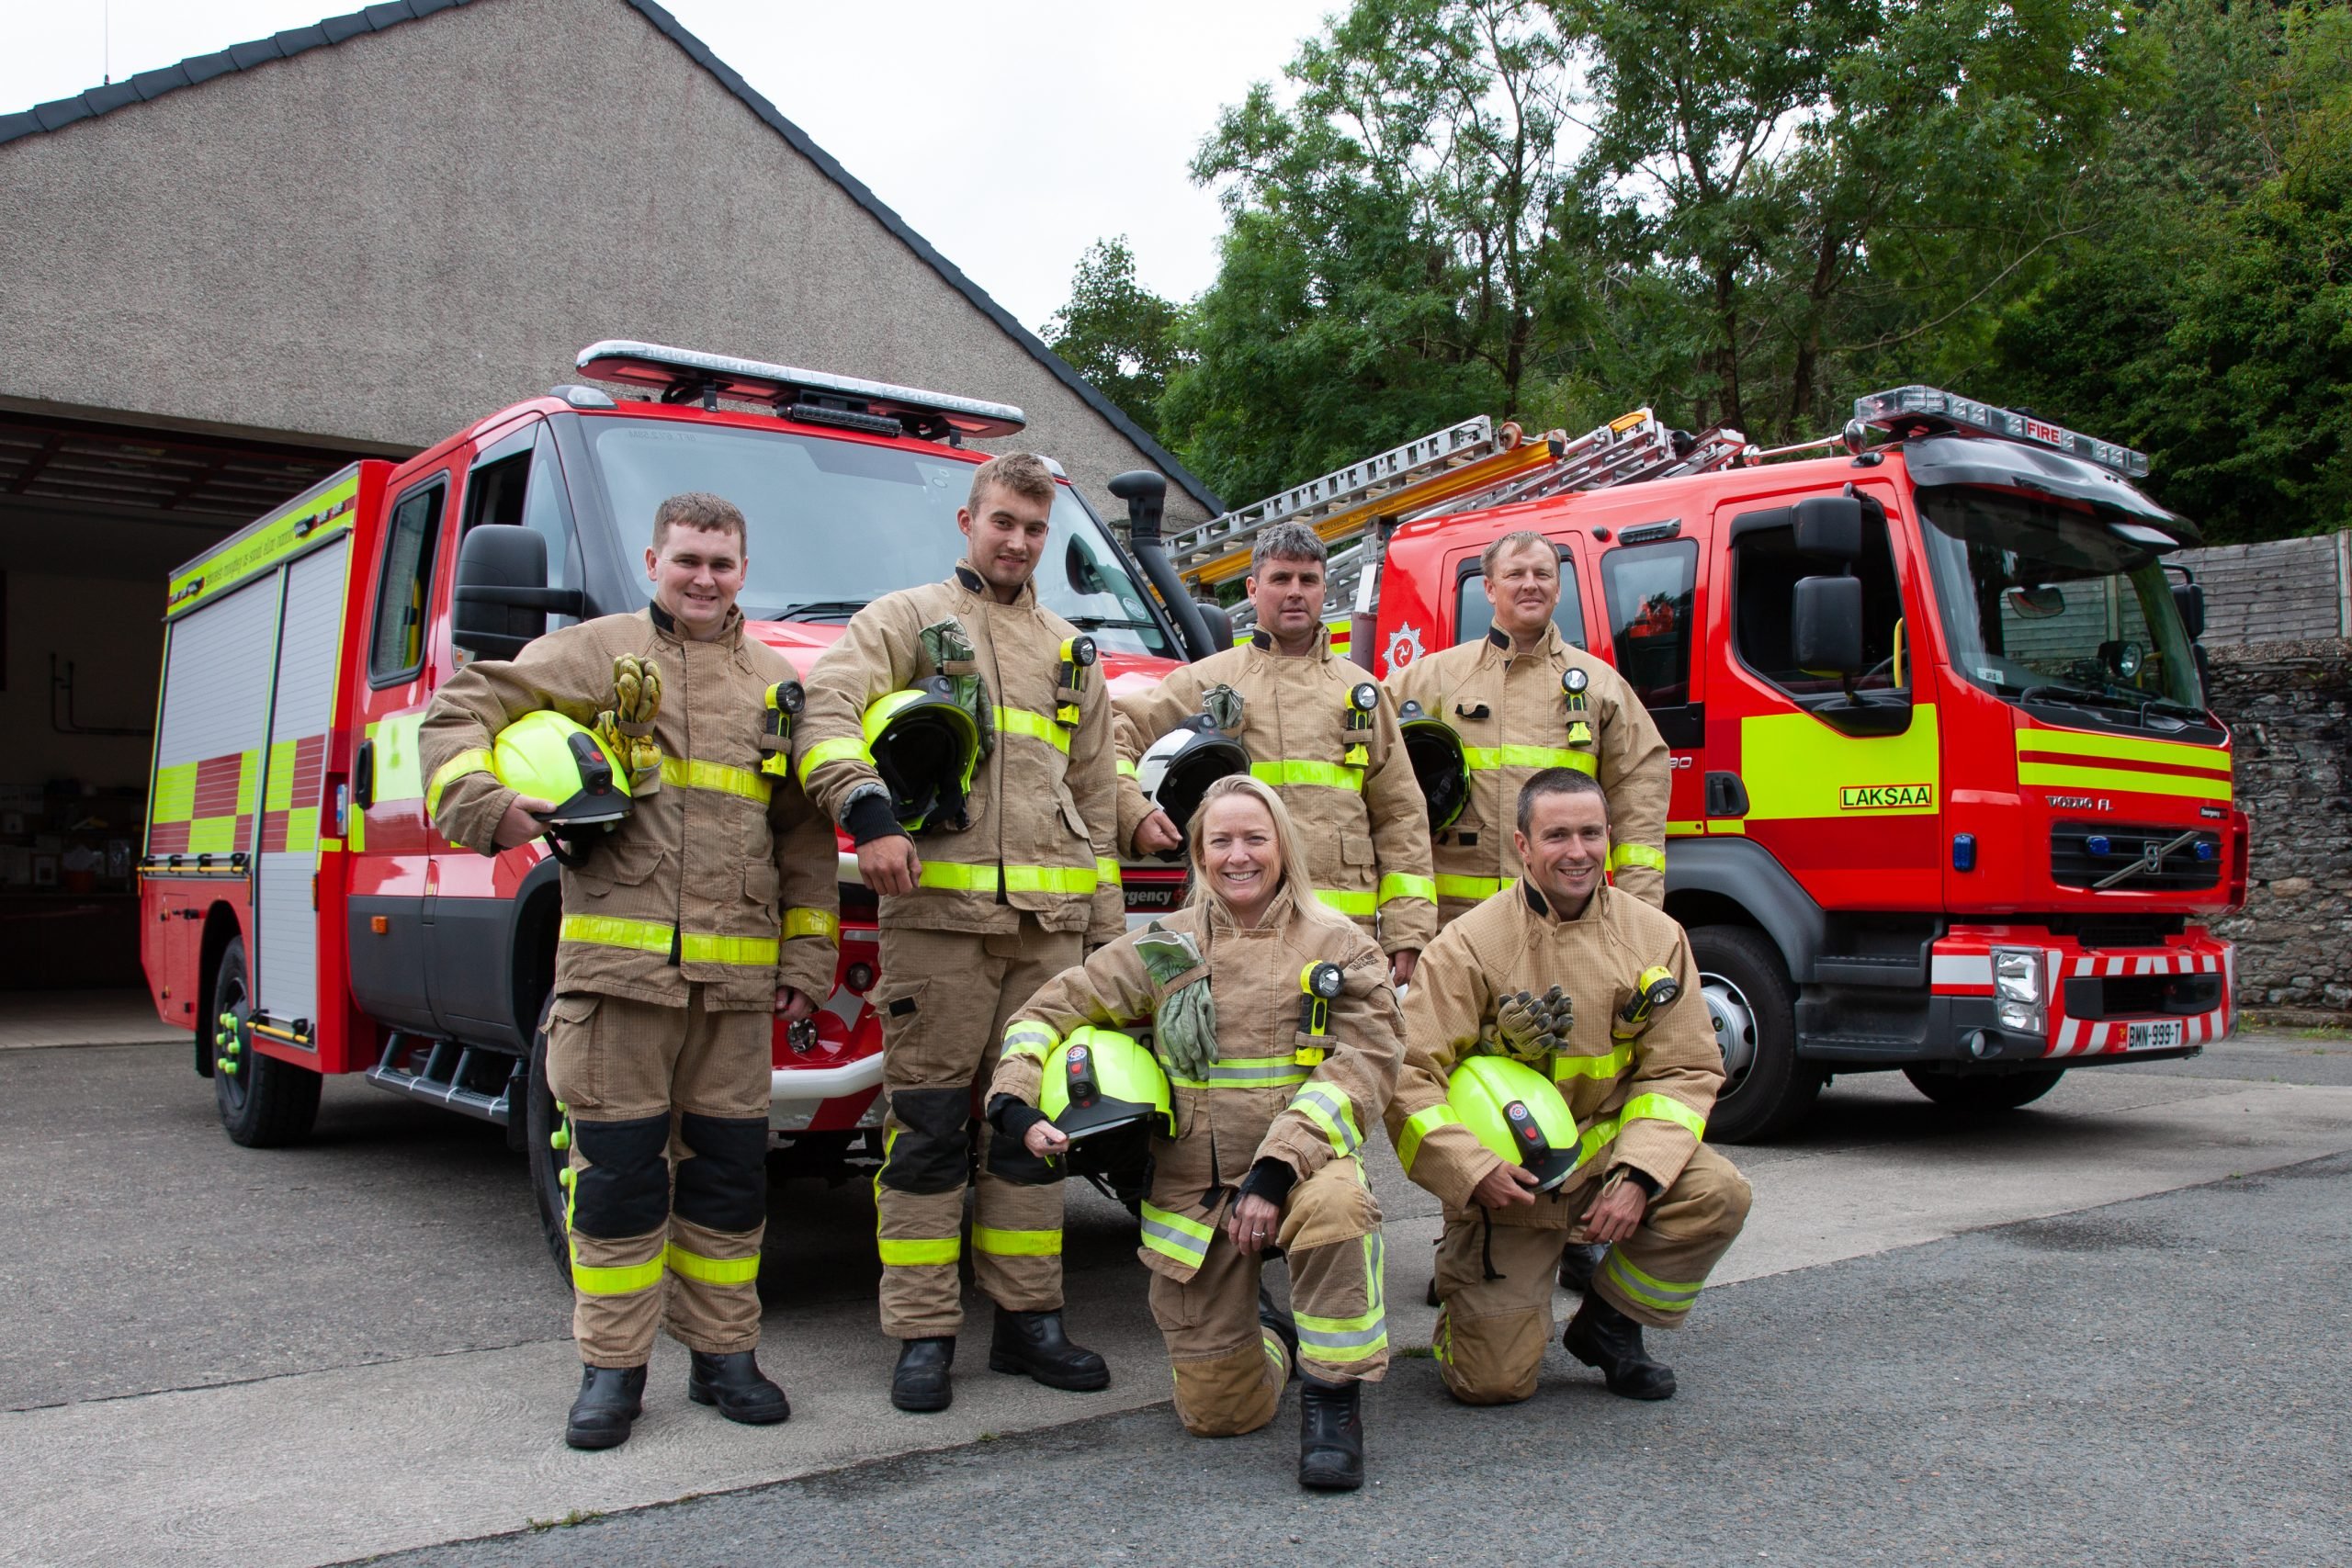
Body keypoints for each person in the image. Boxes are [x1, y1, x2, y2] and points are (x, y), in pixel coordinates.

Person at [423, 491, 837, 1450]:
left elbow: (802, 839)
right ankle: (611, 1371)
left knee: (730, 1186)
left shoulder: (777, 685)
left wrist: (808, 958)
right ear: (653, 561)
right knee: (614, 1185)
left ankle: (726, 1359)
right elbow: (460, 710)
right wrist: (487, 804)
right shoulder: (592, 654)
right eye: (686, 560)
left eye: (722, 564)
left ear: (743, 571)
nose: (703, 578)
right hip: (615, 991)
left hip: (732, 999)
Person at [794, 452, 1124, 1412]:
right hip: (937, 926)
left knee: (1032, 1135)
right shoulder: (903, 622)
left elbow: (1095, 802)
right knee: (928, 1133)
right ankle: (923, 1334)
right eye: (1003, 522)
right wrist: (868, 813)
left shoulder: (1072, 651)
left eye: (1034, 528)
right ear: (968, 523)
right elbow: (825, 712)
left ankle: (1029, 1325)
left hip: (1051, 936)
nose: (1018, 541)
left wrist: (1105, 945)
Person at [987, 774, 1401, 1490]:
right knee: (1218, 1412)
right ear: (1201, 857)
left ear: (1284, 848)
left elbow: (1363, 1070)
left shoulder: (1342, 948)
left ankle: (1334, 1405)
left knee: (1341, 1210)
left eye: (1255, 839)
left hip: (1302, 1170)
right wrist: (1015, 1103)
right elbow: (1045, 1011)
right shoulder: (1163, 949)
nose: (1238, 856)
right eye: (1221, 841)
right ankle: (1268, 1339)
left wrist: (1276, 1171)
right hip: (1196, 1193)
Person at [1386, 768, 1749, 1406]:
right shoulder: (1471, 943)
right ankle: (1465, 1311)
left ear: (1609, 836)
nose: (1576, 851)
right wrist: (1473, 1170)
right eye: (1556, 834)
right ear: (1522, 845)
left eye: (1589, 832)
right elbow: (1408, 1074)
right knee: (1490, 1384)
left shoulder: (1656, 937)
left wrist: (1641, 1173)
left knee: (1717, 1192)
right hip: (1510, 1185)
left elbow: (1685, 1069)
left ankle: (1610, 1325)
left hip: (1607, 1162)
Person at [1116, 522, 1435, 986]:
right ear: (1252, 588)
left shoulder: (1361, 692)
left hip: (1345, 937)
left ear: (1325, 588)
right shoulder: (1208, 681)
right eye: (1280, 579)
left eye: (1308, 580)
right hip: (1238, 934)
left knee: (1351, 1056)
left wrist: (1408, 928)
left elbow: (1401, 813)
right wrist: (1133, 811)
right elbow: (1115, 728)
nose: (1295, 592)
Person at [1386, 529, 1670, 920]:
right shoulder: (1435, 677)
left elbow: (1640, 797)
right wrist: (1408, 921)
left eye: (1542, 574)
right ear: (1489, 588)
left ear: (1558, 588)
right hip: (1458, 926)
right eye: (1515, 574)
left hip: (1564, 919)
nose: (1530, 585)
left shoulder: (1600, 686)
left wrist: (1640, 916)